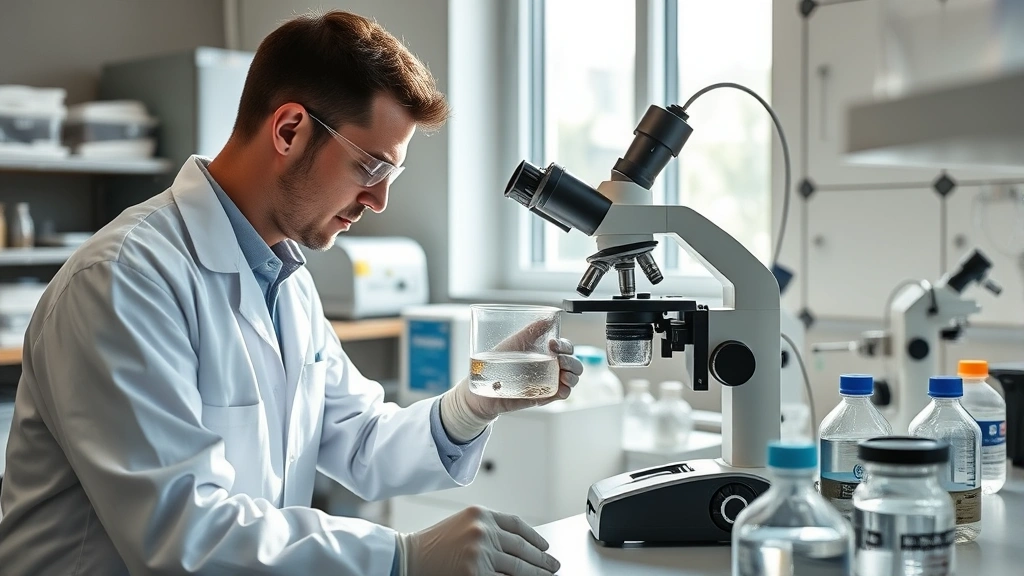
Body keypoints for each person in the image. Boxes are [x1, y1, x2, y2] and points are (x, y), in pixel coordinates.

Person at [0, 10, 583, 576]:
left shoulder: (284, 279)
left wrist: (474, 404)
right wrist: (398, 557)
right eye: (372, 169)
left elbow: (360, 440)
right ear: (289, 129)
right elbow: (180, 532)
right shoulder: (125, 278)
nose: (379, 202)